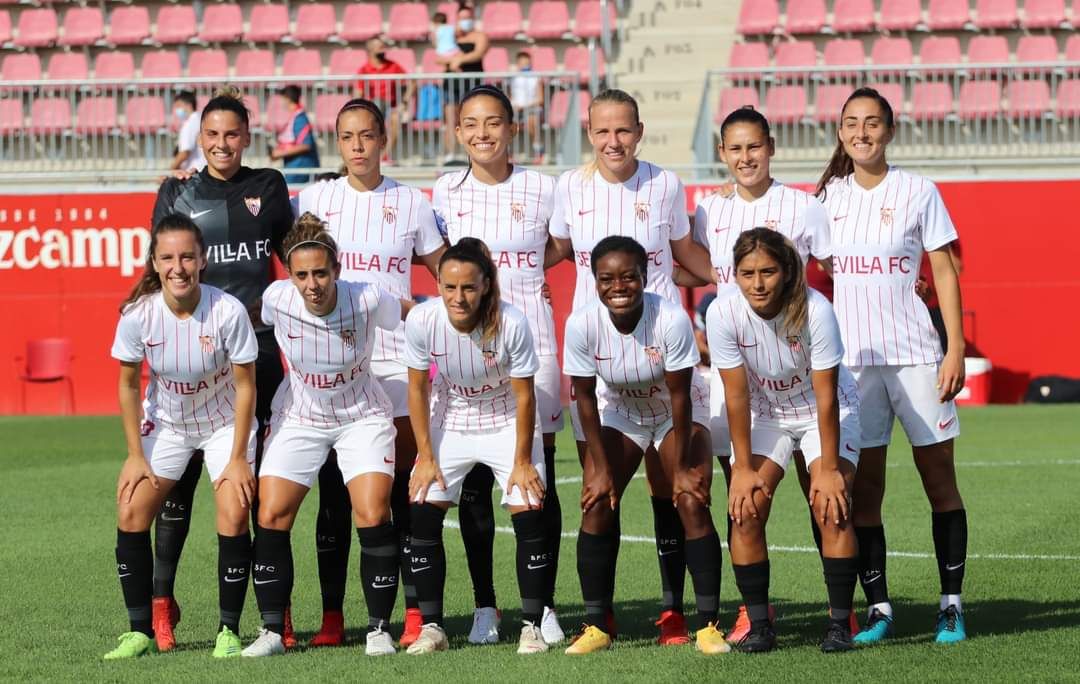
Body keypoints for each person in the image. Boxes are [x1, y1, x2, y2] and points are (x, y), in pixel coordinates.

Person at [547, 88, 716, 645]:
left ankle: (677, 612)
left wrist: (742, 279)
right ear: (588, 134)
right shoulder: (568, 188)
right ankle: (600, 620)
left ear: (639, 132)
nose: (612, 141)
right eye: (602, 131)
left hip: (662, 361)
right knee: (601, 492)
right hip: (604, 371)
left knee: (674, 496)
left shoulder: (665, 184)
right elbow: (548, 253)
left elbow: (684, 258)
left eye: (623, 131)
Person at [815, 87, 969, 645]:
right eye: (851, 123)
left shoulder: (918, 191)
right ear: (840, 132)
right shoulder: (827, 197)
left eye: (873, 122)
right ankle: (880, 609)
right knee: (866, 489)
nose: (862, 132)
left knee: (938, 481)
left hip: (917, 359)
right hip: (854, 366)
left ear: (890, 129)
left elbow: (945, 271)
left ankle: (950, 605)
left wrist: (954, 348)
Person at [296, 98, 447, 648]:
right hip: (332, 365)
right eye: (346, 137)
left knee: (406, 490)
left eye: (367, 135)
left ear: (385, 140)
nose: (357, 146)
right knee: (335, 497)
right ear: (337, 144)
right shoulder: (313, 200)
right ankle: (333, 618)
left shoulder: (411, 203)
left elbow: (445, 269)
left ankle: (415, 614)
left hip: (395, 362)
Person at [149, 88, 294, 653]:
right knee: (174, 493)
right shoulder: (177, 192)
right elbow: (158, 269)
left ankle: (271, 612)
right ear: (199, 137)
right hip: (191, 361)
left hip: (258, 357)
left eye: (232, 134)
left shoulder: (269, 187)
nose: (222, 144)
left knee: (254, 492)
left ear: (246, 136)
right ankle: (161, 607)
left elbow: (297, 261)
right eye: (212, 135)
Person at [690, 105, 835, 642]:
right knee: (744, 493)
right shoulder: (707, 212)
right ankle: (756, 611)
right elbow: (693, 265)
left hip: (798, 367)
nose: (745, 157)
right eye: (735, 148)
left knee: (821, 491)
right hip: (741, 379)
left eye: (754, 146)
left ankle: (838, 607)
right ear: (722, 153)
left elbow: (837, 271)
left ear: (770, 147)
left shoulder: (802, 207)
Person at [241, 213, 412, 657]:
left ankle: (378, 629)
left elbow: (411, 316)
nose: (312, 284)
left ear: (336, 269)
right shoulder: (278, 299)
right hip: (300, 415)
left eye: (320, 272)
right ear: (290, 275)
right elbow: (245, 316)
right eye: (302, 275)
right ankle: (272, 632)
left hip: (363, 415)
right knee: (272, 513)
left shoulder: (369, 298)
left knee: (373, 513)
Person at [431, 85, 564, 646]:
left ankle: (544, 606)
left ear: (513, 129)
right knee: (476, 484)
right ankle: (485, 606)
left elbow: (556, 247)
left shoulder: (542, 187)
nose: (483, 133)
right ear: (458, 132)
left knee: (539, 476)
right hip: (467, 349)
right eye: (471, 124)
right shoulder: (443, 191)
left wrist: (522, 283)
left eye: (494, 123)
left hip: (533, 341)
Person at [561, 236, 724, 655]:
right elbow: (583, 399)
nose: (619, 286)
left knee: (688, 498)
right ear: (594, 281)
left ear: (644, 277)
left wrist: (684, 465)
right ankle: (596, 625)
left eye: (629, 277)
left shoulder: (669, 318)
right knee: (596, 501)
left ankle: (707, 624)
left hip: (675, 412)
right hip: (623, 412)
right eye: (607, 278)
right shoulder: (582, 323)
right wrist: (598, 468)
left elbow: (681, 396)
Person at [105, 214, 258, 660]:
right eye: (168, 257)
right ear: (154, 263)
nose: (178, 267)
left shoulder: (227, 311)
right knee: (131, 509)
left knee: (232, 510)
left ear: (203, 260)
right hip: (168, 425)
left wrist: (236, 459)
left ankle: (228, 631)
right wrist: (135, 455)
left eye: (187, 256)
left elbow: (247, 385)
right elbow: (128, 384)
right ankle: (138, 631)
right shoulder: (139, 314)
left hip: (224, 424)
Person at [709, 228, 861, 654]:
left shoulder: (816, 310)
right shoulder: (722, 314)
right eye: (747, 273)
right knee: (746, 508)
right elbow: (736, 395)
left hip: (825, 411)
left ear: (788, 271)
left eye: (768, 272)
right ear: (734, 275)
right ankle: (759, 624)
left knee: (831, 507)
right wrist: (740, 469)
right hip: (769, 414)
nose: (757, 283)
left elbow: (827, 394)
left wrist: (828, 469)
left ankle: (838, 625)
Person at [403, 238, 552, 656]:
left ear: (486, 284)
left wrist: (523, 461)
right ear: (437, 284)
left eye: (468, 287)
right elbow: (417, 389)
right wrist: (426, 456)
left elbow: (525, 397)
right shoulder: (422, 320)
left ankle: (531, 626)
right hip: (453, 417)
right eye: (449, 287)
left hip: (506, 419)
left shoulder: (512, 322)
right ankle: (433, 628)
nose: (458, 297)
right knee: (421, 508)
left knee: (529, 506)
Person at [439, 5, 489, 163]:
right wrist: (452, 60)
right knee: (451, 119)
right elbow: (439, 57)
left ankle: (473, 153)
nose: (465, 21)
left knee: (474, 119)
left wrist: (459, 59)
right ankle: (451, 155)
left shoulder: (480, 36)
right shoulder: (451, 37)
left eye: (468, 17)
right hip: (451, 84)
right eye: (462, 18)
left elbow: (478, 53)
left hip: (472, 85)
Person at [357, 37, 413, 163]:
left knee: (395, 118)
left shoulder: (393, 66)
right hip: (372, 108)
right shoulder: (364, 70)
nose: (383, 49)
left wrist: (404, 102)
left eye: (383, 46)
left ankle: (383, 157)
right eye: (379, 46)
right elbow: (358, 92)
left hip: (391, 106)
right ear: (370, 50)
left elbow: (412, 82)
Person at [271, 85, 320, 185]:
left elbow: (306, 145)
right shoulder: (296, 117)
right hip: (295, 169)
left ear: (287, 99)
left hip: (300, 169)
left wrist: (280, 153)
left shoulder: (300, 119)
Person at [509, 51, 545, 163]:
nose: (525, 65)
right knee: (506, 124)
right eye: (522, 63)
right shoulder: (512, 78)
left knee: (531, 122)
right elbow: (510, 97)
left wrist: (524, 107)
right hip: (515, 109)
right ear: (518, 64)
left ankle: (538, 152)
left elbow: (540, 99)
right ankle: (509, 154)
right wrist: (514, 106)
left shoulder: (536, 78)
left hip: (531, 108)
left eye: (527, 63)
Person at [170, 91, 205, 172]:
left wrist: (172, 168)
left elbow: (185, 152)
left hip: (193, 171)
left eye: (178, 106)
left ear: (188, 105)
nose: (176, 110)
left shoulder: (190, 124)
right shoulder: (200, 119)